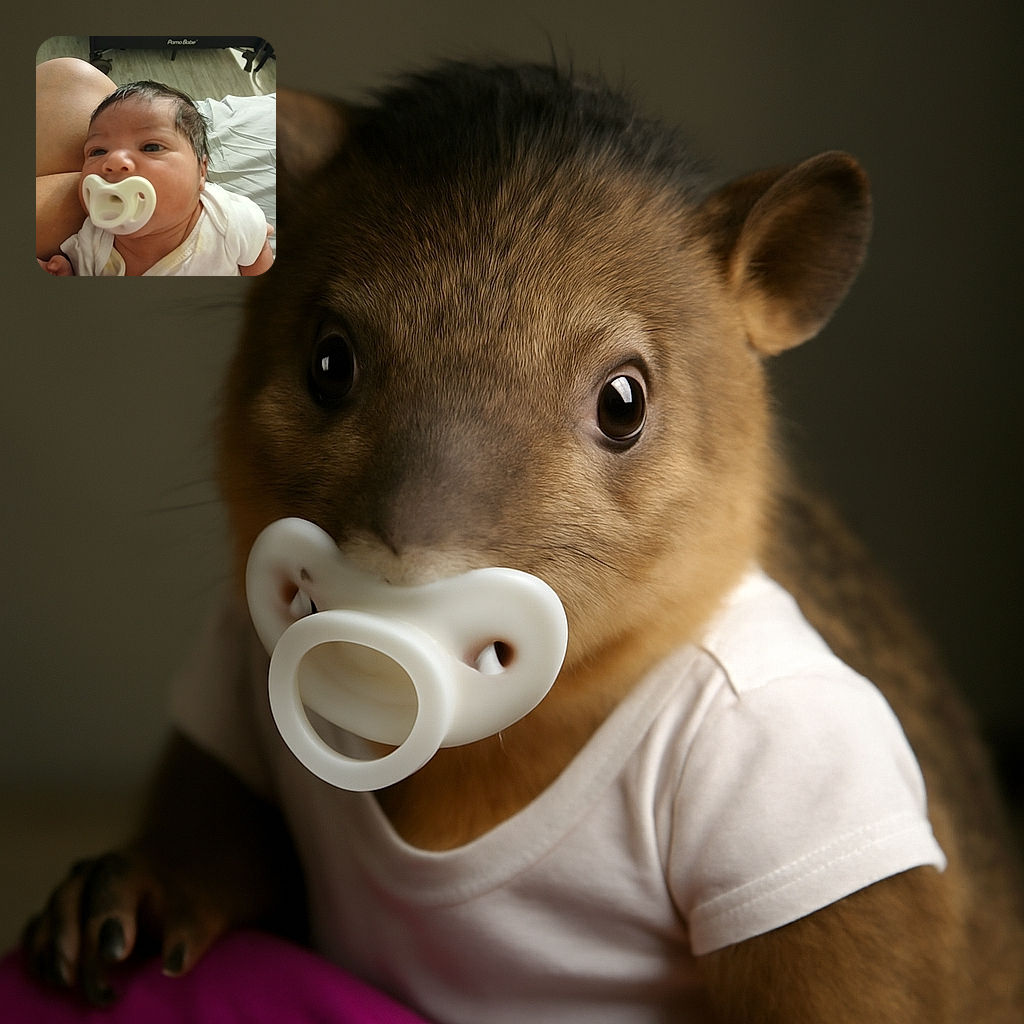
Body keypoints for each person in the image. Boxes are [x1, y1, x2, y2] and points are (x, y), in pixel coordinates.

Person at [36, 63, 273, 277]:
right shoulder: (93, 237)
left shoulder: (232, 222)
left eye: (151, 147)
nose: (114, 160)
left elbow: (257, 259)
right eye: (98, 151)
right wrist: (67, 270)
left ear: (202, 172)